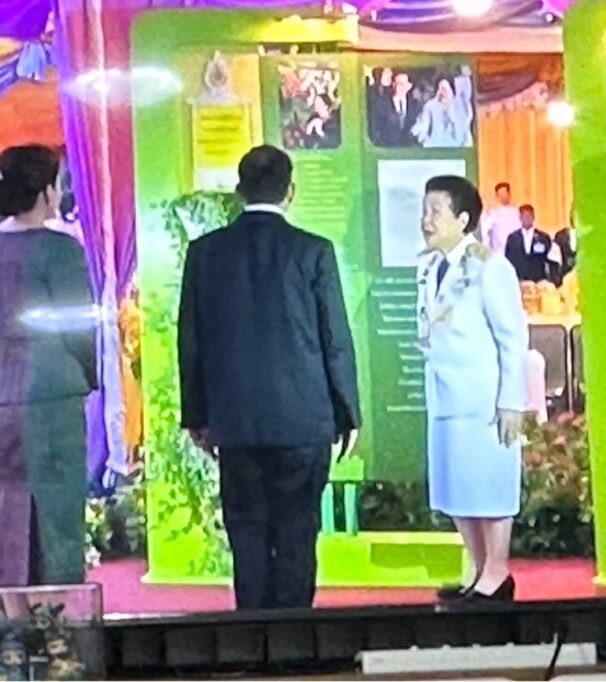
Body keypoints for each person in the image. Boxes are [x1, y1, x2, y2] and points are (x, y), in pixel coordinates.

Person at [178, 145, 361, 610]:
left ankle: (251, 631)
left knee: (247, 533)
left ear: (239, 191)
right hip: (304, 419)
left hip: (235, 421)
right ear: (290, 191)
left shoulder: (204, 253)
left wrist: (196, 416)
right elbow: (334, 338)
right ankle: (293, 634)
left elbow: (191, 341)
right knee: (298, 533)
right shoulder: (314, 251)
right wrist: (348, 413)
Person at [0, 145, 97, 586]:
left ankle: (10, 608)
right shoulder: (59, 248)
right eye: (58, 183)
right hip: (51, 389)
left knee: (7, 504)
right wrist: (90, 376)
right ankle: (59, 612)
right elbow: (79, 327)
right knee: (57, 510)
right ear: (45, 191)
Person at [416, 175, 528, 603]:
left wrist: (511, 402)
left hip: (485, 401)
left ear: (463, 219)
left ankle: (498, 572)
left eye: (436, 211)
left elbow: (512, 338)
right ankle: (479, 570)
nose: (426, 220)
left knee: (489, 486)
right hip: (445, 396)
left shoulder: (490, 266)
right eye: (424, 211)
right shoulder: (429, 266)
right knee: (457, 488)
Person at [412, 78, 472, 148]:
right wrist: (425, 141)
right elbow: (422, 127)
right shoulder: (430, 106)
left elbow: (464, 131)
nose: (443, 93)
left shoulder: (459, 106)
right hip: (435, 145)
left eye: (445, 89)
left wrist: (451, 115)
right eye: (440, 89)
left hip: (456, 146)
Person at [505, 204, 555, 284]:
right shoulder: (512, 239)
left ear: (533, 217)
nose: (527, 219)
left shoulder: (543, 237)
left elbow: (550, 258)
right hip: (519, 279)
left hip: (538, 280)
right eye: (524, 217)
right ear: (520, 218)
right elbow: (508, 259)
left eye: (529, 216)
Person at [372, 72, 419, 147]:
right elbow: (376, 128)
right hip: (387, 147)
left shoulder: (414, 104)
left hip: (408, 147)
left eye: (401, 84)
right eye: (396, 83)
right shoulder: (381, 103)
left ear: (409, 86)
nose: (398, 87)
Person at [481, 182, 520, 255]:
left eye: (505, 194)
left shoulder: (517, 213)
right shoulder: (492, 215)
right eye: (500, 194)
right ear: (496, 196)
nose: (503, 197)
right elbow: (485, 233)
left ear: (509, 194)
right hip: (498, 253)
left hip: (515, 251)